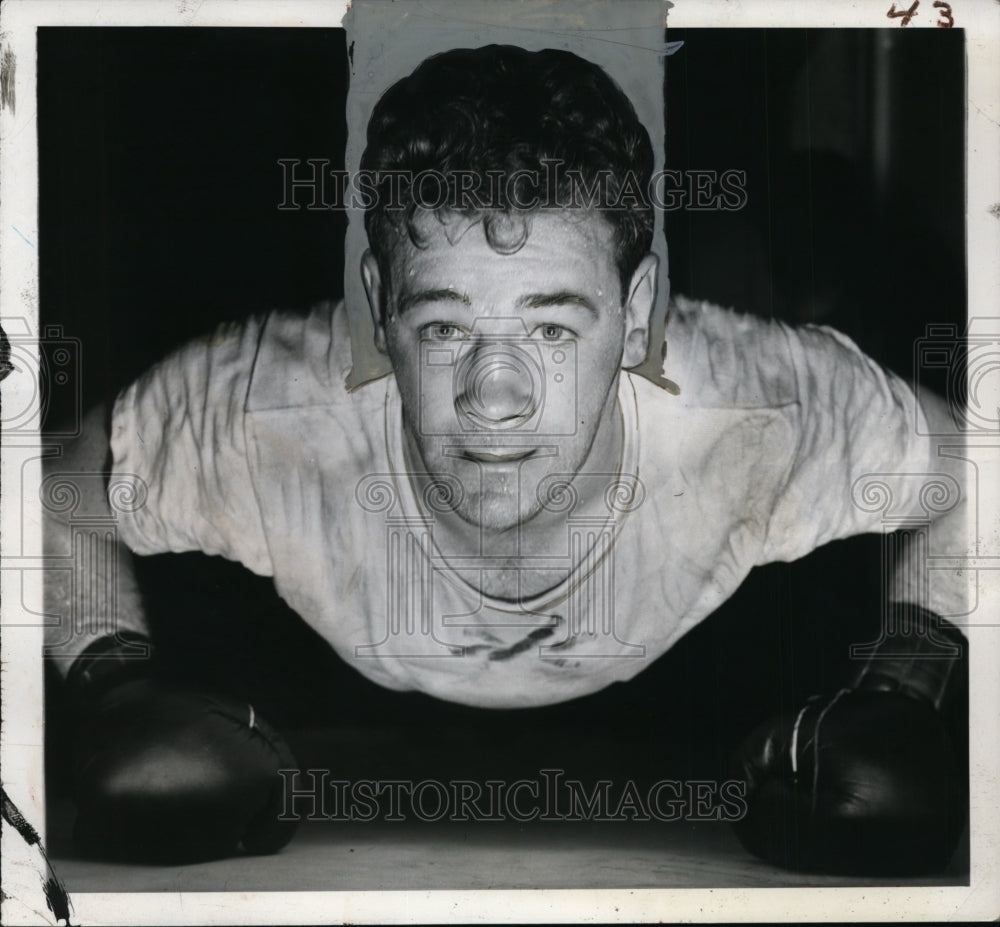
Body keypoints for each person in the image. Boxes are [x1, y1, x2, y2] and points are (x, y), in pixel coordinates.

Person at [44, 45, 968, 873]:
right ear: (377, 310)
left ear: (637, 314)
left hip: (700, 666)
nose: (496, 392)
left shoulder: (756, 407)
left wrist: (906, 686)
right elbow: (49, 488)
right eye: (444, 324)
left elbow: (977, 465)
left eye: (554, 326)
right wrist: (113, 676)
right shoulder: (267, 412)